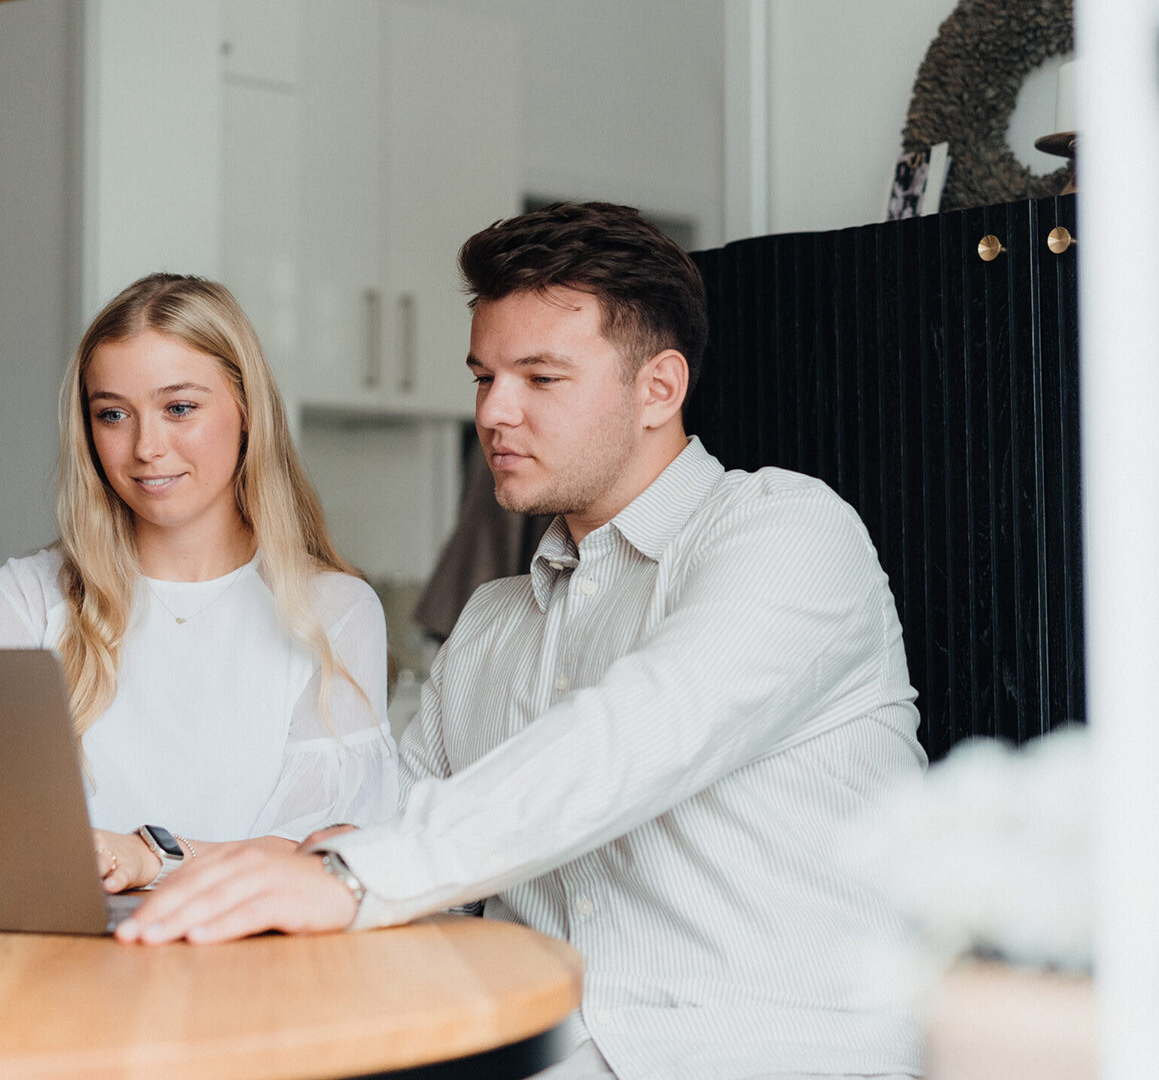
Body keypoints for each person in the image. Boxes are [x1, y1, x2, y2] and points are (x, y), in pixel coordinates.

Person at [116, 205, 928, 1080]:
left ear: (659, 387)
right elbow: (393, 829)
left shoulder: (788, 532)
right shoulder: (495, 619)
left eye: (540, 379)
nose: (495, 414)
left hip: (775, 1053)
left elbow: (634, 737)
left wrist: (350, 879)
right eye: (484, 378)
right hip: (546, 1051)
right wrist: (161, 857)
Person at [0, 272, 397, 893]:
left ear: (247, 409)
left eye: (179, 408)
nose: (146, 448)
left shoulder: (336, 612)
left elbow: (318, 854)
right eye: (113, 414)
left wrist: (150, 857)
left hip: (256, 974)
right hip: (61, 969)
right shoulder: (24, 602)